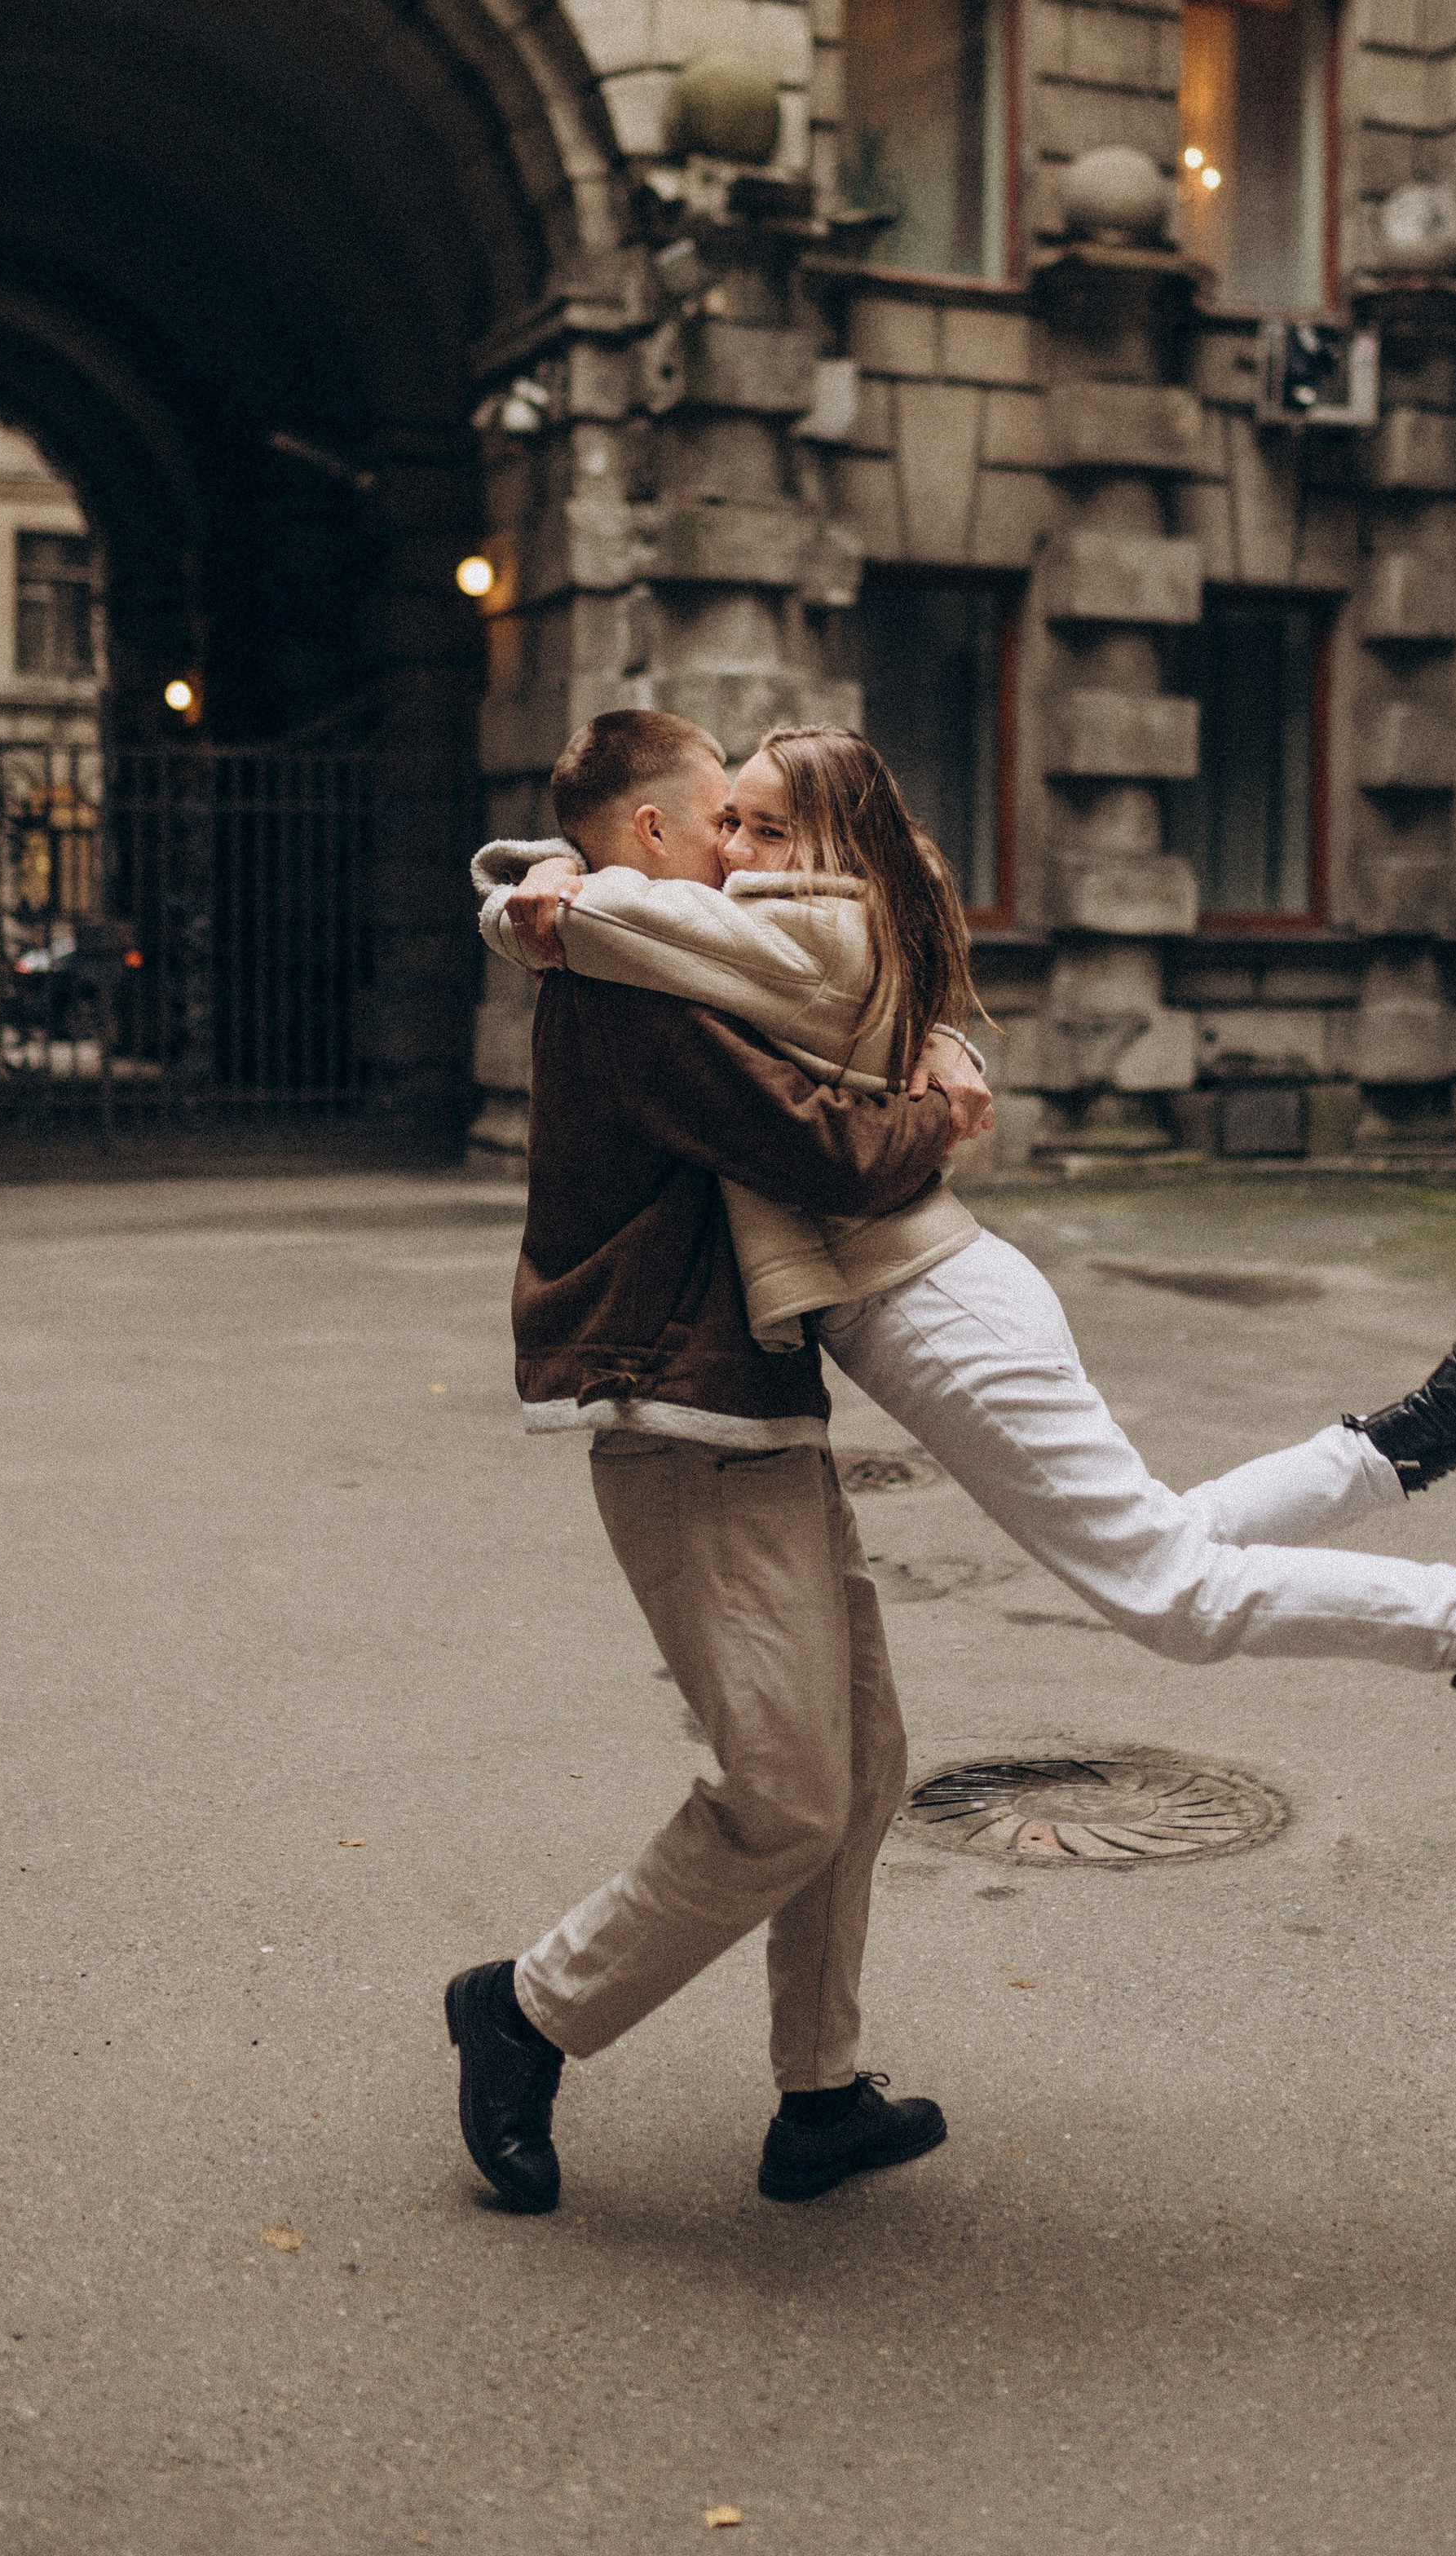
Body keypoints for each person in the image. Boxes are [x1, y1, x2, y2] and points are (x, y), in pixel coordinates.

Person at [478, 715, 1456, 1826]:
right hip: (949, 1291)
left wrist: (542, 894)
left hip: (929, 1309)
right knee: (1167, 1543)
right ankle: (1432, 1426)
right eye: (728, 821)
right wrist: (564, 869)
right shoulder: (814, 917)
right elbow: (651, 919)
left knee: (1174, 1597)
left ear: (831, 847)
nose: (734, 850)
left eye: (763, 827)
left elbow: (604, 927)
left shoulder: (788, 931)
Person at [446, 710, 995, 2222]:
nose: (750, 859)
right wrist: (939, 1115)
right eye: (726, 826)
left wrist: (935, 1043)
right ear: (651, 836)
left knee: (862, 1766)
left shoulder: (667, 950)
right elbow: (822, 1147)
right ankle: (525, 2010)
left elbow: (836, 1019)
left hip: (750, 1408)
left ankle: (818, 2094)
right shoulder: (631, 989)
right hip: (678, 1419)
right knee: (788, 1792)